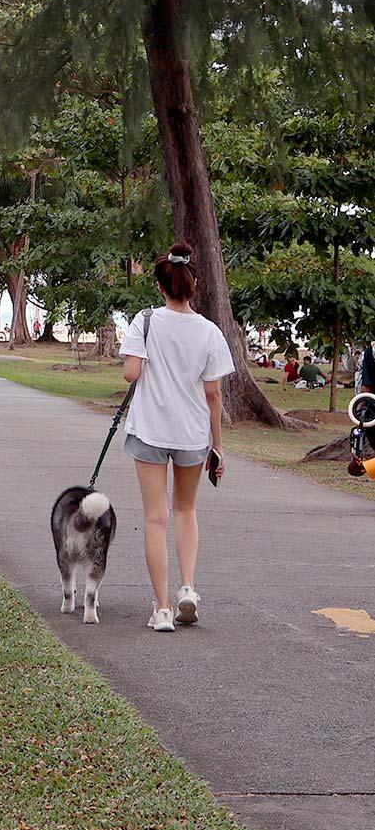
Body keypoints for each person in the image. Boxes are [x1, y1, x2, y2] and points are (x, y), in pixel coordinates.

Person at [119, 241, 233, 633]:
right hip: (192, 433)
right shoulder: (210, 332)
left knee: (155, 518)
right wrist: (217, 446)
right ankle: (187, 587)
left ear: (161, 286)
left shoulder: (145, 321)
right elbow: (213, 394)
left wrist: (140, 356)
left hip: (150, 428)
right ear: (194, 284)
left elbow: (131, 374)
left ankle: (163, 608)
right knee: (186, 511)